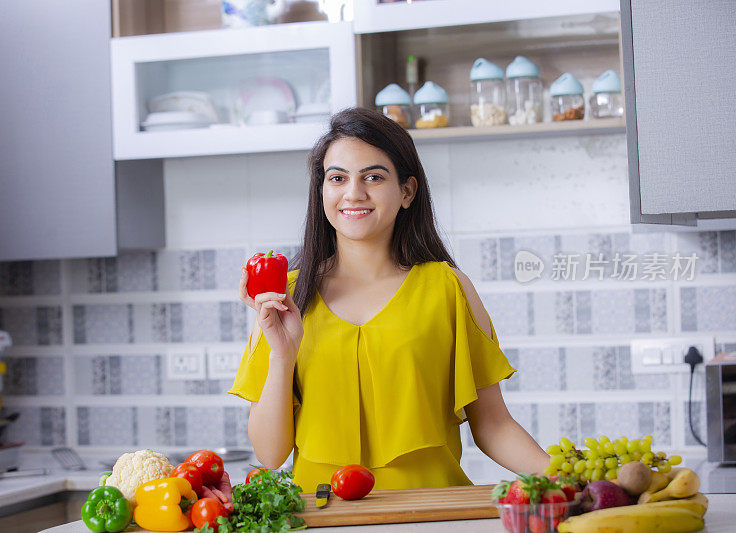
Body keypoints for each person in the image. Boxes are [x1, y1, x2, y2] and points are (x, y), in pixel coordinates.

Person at [229, 107, 549, 493]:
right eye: (338, 178)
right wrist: (282, 354)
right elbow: (269, 453)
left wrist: (567, 475)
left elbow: (494, 425)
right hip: (324, 521)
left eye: (373, 177)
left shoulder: (448, 288)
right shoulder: (287, 297)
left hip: (431, 517)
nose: (354, 193)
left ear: (407, 191)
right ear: (322, 191)